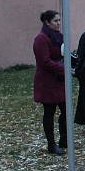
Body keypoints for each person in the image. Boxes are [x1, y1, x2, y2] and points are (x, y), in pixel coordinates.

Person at [32, 10, 67, 155]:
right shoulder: (41, 39)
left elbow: (63, 53)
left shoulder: (58, 36)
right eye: (55, 21)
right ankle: (51, 145)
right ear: (47, 22)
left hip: (59, 80)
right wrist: (62, 68)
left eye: (59, 20)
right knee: (49, 113)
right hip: (47, 81)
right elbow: (44, 61)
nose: (59, 23)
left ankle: (64, 140)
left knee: (66, 111)